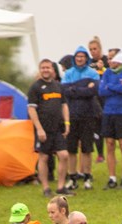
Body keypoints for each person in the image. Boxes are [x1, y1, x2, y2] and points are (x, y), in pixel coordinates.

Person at [28, 59, 72, 198]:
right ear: (40, 70)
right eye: (43, 68)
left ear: (52, 70)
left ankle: (61, 187)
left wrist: (67, 123)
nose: (46, 70)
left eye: (48, 67)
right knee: (44, 157)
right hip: (43, 129)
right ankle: (46, 187)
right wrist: (39, 129)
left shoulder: (58, 86)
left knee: (64, 155)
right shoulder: (35, 87)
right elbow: (31, 110)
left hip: (58, 128)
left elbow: (64, 105)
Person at [62, 46, 100, 191]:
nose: (80, 59)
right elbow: (65, 91)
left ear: (86, 58)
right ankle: (72, 177)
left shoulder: (92, 73)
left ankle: (87, 176)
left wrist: (75, 89)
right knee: (71, 149)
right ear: (74, 58)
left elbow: (93, 91)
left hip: (88, 115)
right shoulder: (69, 73)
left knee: (86, 148)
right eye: (77, 57)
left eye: (82, 57)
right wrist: (84, 88)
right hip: (71, 115)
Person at [98, 53, 122, 189]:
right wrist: (117, 85)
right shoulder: (107, 72)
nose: (110, 61)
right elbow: (101, 91)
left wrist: (111, 86)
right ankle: (112, 178)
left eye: (113, 57)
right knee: (109, 144)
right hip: (108, 112)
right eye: (109, 58)